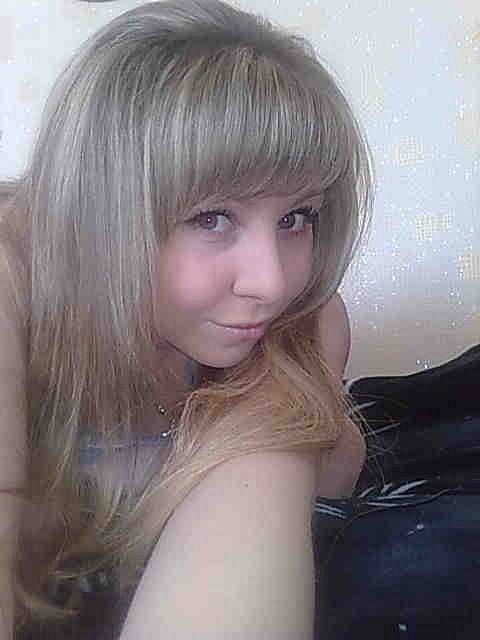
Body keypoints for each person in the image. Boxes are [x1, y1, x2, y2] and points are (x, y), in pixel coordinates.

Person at [0, 0, 372, 638]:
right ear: (99, 211)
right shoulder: (14, 278)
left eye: (296, 217)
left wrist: (289, 416)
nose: (272, 283)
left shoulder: (304, 321)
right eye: (212, 218)